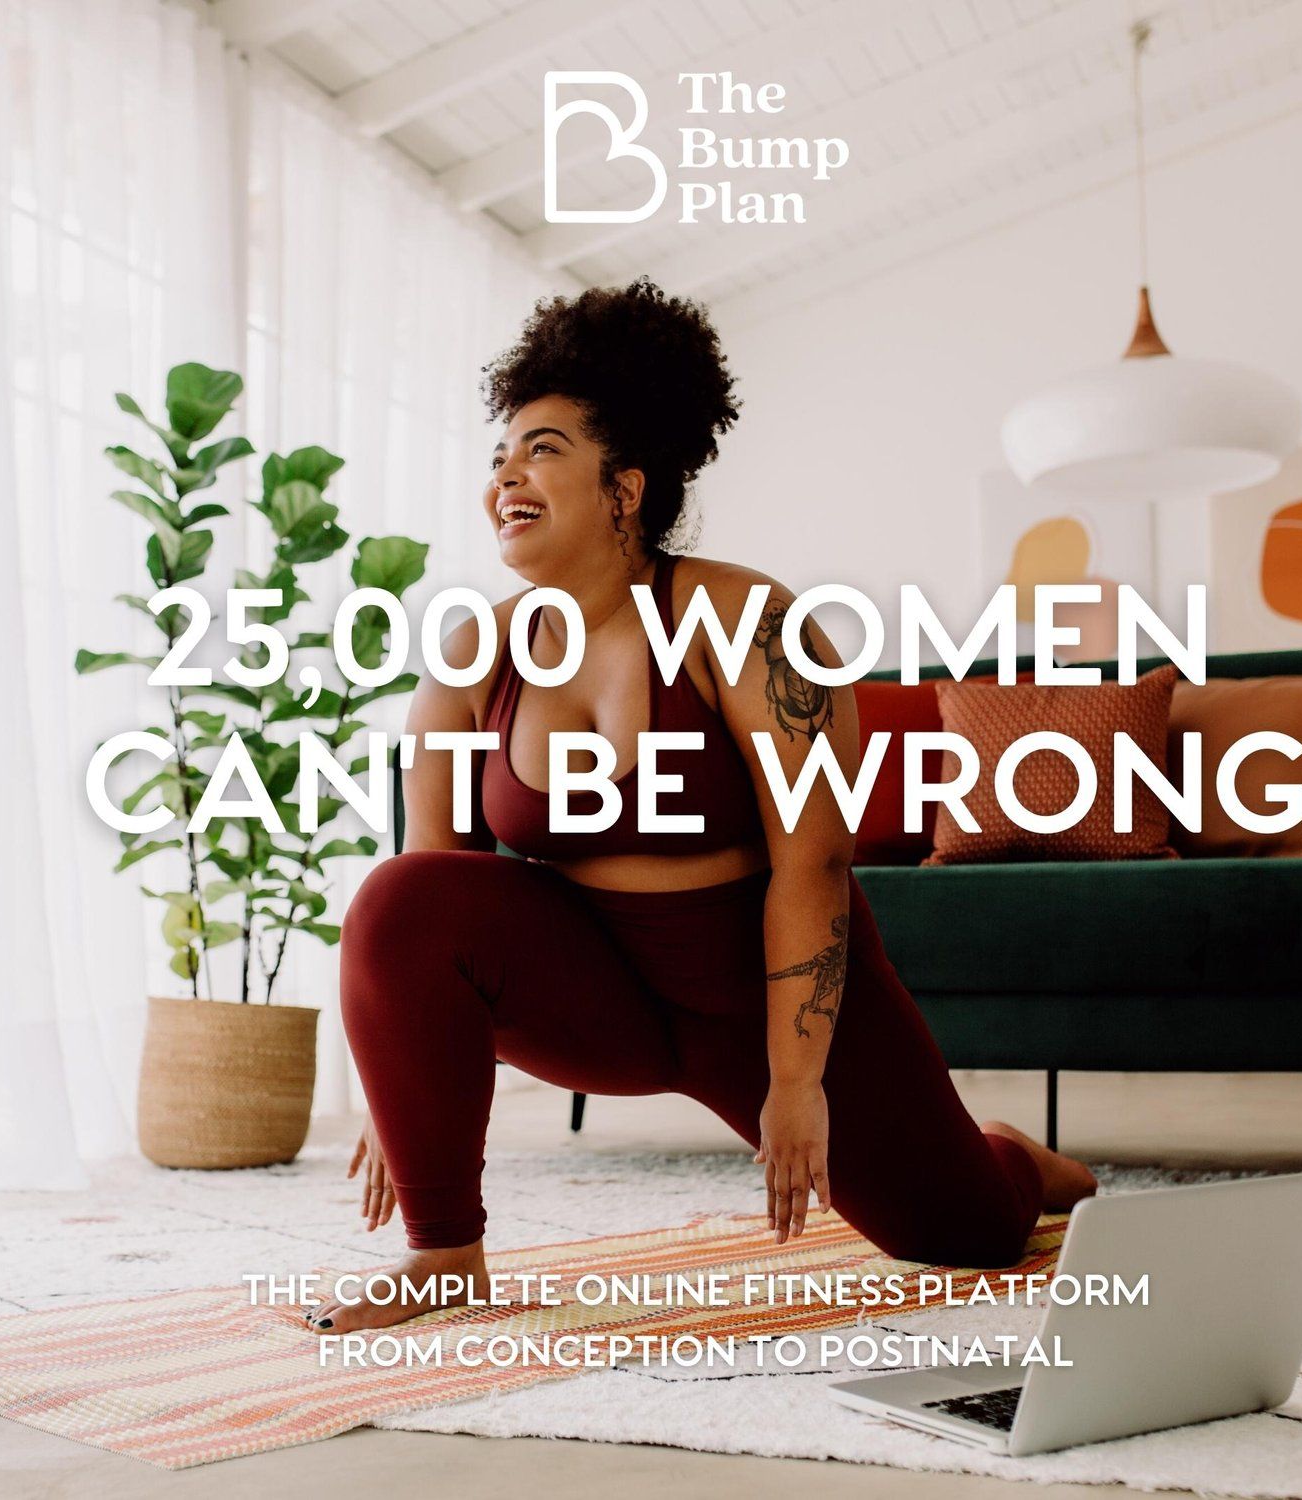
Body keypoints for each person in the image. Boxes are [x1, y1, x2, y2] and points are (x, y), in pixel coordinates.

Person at [305, 278, 1095, 1335]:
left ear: (624, 484)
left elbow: (814, 862)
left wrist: (797, 1078)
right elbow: (425, 886)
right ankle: (446, 1257)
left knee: (968, 1236)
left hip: (756, 985)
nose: (505, 475)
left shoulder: (750, 622)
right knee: (398, 895)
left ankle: (1018, 1159)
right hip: (600, 992)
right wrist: (404, 1104)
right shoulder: (471, 657)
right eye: (499, 455)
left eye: (540, 449)